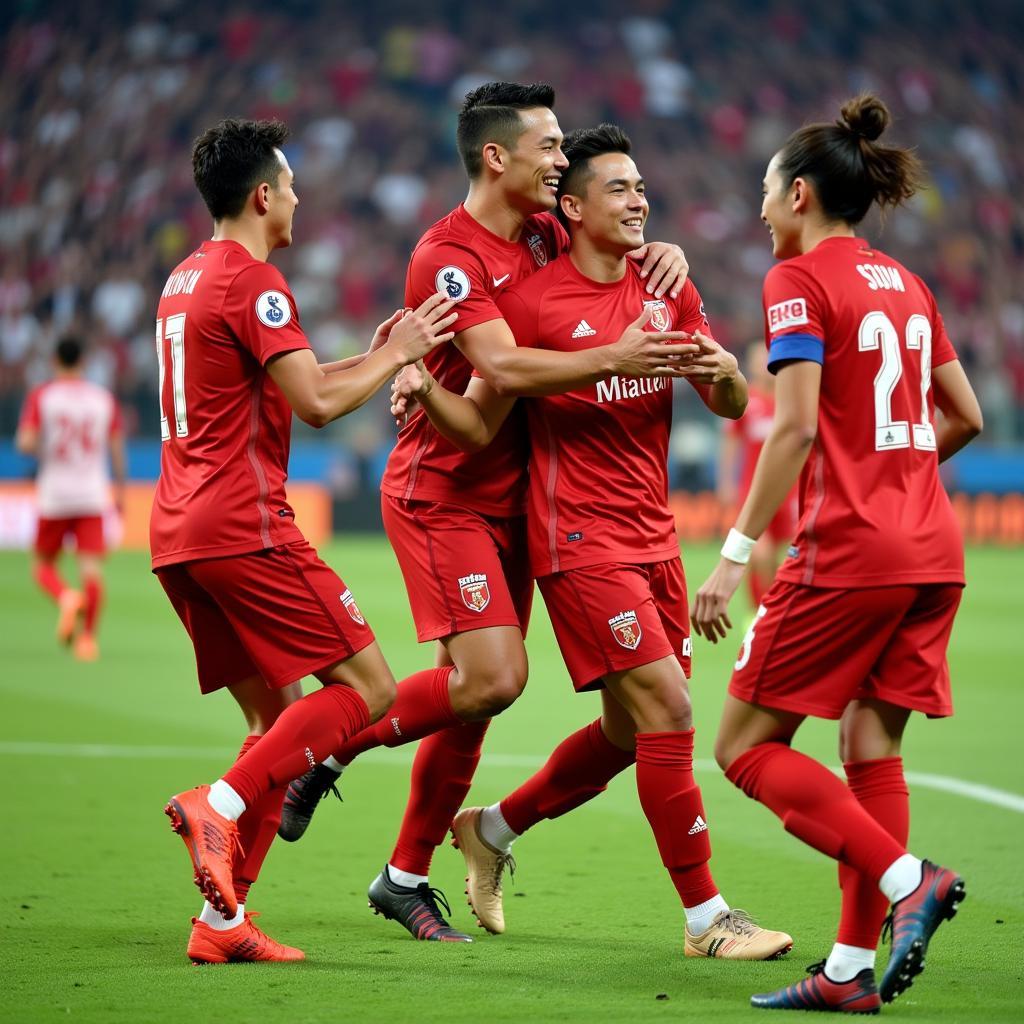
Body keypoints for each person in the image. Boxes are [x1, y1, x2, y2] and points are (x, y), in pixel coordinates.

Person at [276, 82, 694, 943]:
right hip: (449, 488)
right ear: (497, 156)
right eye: (548, 146)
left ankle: (402, 875)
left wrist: (666, 253)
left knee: (478, 699)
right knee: (493, 678)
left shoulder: (546, 231)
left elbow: (607, 252)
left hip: (529, 496)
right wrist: (616, 352)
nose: (562, 158)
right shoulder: (447, 257)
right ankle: (334, 741)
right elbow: (502, 369)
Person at [393, 123, 792, 960]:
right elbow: (482, 411)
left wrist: (720, 369)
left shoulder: (665, 285)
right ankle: (706, 919)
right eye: (620, 188)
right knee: (672, 711)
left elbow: (723, 401)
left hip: (655, 537)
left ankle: (491, 830)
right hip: (576, 538)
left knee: (627, 733)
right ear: (571, 207)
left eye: (643, 186)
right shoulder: (534, 305)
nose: (640, 199)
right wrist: (422, 386)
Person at [691, 94, 982, 1012]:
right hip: (933, 549)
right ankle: (851, 974)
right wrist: (896, 473)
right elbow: (966, 417)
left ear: (803, 194)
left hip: (850, 551)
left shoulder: (798, 281)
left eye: (768, 193)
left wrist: (735, 553)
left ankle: (908, 884)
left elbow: (795, 429)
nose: (763, 211)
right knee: (868, 745)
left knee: (742, 746)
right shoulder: (906, 282)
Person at [152, 117, 457, 964]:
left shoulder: (185, 279)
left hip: (179, 531)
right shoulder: (257, 282)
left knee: (277, 718)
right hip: (243, 523)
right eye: (288, 185)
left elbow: (299, 385)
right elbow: (320, 409)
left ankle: (222, 926)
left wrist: (374, 355)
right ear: (261, 195)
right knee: (369, 688)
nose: (296, 197)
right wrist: (396, 354)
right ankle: (219, 801)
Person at [16, 335, 125, 661]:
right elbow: (117, 450)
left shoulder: (43, 396)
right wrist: (119, 491)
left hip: (55, 494)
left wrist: (46, 450)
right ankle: (88, 640)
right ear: (84, 362)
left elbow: (25, 442)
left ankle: (65, 596)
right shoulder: (102, 399)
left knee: (43, 566)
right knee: (92, 570)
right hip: (92, 493)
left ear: (54, 362)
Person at [716, 341, 798, 611]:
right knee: (760, 555)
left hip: (790, 492)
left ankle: (771, 611)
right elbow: (730, 443)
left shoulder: (791, 400)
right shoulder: (746, 400)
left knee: (782, 559)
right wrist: (726, 482)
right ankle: (758, 613)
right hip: (753, 490)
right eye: (758, 361)